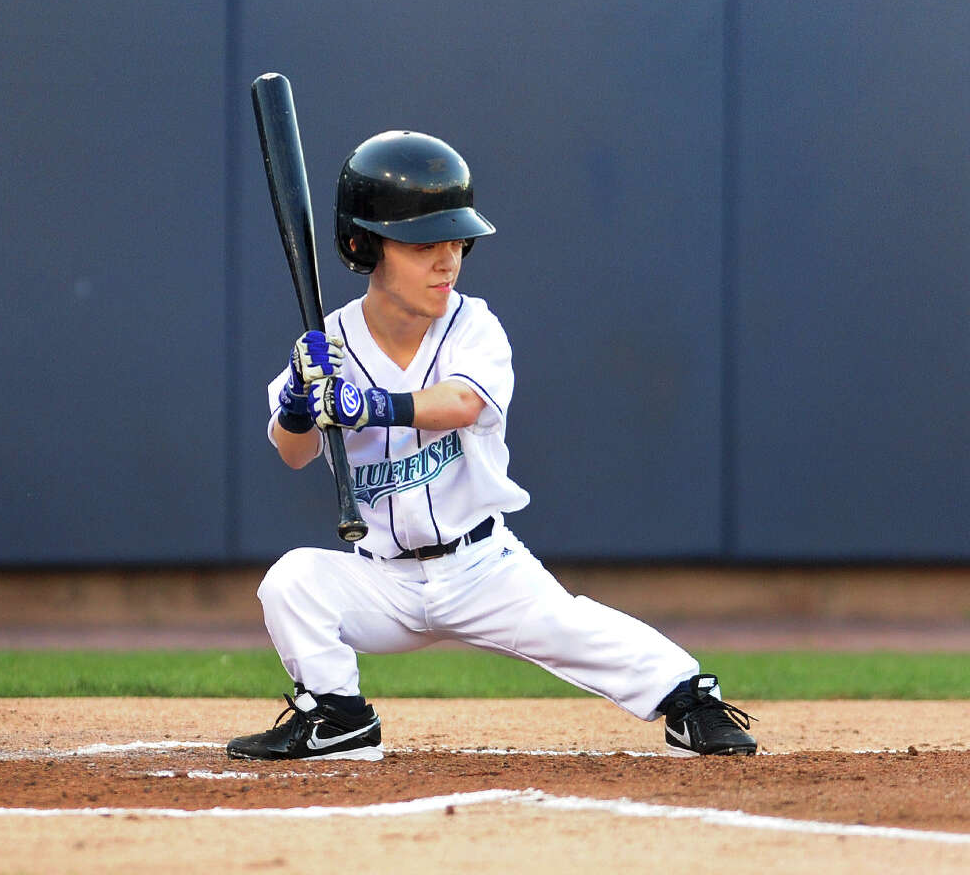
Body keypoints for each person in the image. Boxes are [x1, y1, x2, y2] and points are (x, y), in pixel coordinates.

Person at [229, 131, 758, 763]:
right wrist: (297, 406)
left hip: (478, 566)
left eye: (457, 241)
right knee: (292, 581)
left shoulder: (472, 325)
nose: (447, 261)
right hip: (382, 578)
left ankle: (688, 698)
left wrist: (371, 405)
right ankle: (336, 716)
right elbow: (292, 452)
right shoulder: (329, 343)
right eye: (425, 244)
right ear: (363, 244)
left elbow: (462, 403)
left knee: (571, 627)